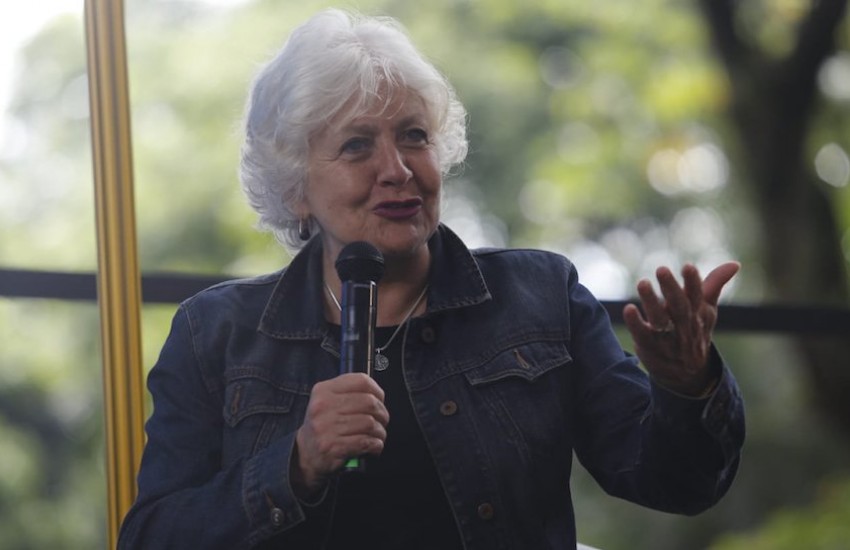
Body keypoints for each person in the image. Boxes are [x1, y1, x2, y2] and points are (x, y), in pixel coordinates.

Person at [118, 8, 745, 550]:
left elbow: (676, 483)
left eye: (414, 137)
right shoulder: (215, 332)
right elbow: (152, 536)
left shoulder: (541, 295)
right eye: (357, 145)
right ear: (295, 186)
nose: (397, 169)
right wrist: (297, 462)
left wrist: (687, 386)